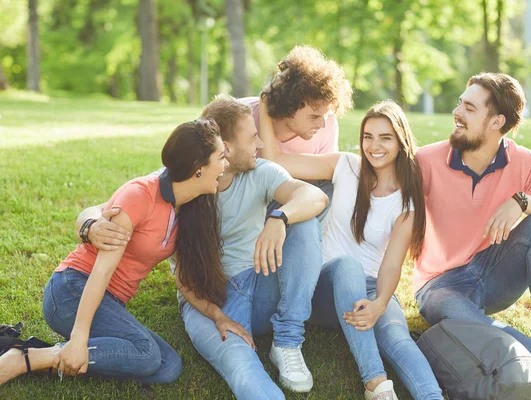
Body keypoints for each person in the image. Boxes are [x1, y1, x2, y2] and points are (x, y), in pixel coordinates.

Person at [75, 96, 328, 399]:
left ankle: (287, 339)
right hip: (207, 299)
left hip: (258, 285)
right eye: (253, 137)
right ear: (226, 149)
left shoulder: (261, 172)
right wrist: (90, 227)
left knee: (304, 221)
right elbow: (99, 209)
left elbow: (313, 196)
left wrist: (279, 217)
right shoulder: (180, 181)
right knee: (243, 368)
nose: (260, 143)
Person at [0, 119, 229, 385]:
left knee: (167, 367)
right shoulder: (140, 195)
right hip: (73, 291)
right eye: (221, 158)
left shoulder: (188, 207)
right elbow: (102, 270)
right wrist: (80, 336)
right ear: (198, 169)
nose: (225, 166)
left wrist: (218, 316)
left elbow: (184, 280)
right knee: (146, 354)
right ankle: (25, 359)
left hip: (110, 303)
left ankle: (56, 354)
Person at [414, 72, 531, 395]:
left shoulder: (523, 161)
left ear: (496, 122)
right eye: (460, 103)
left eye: (469, 108)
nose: (457, 112)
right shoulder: (427, 160)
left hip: (492, 273)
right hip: (438, 285)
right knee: (452, 308)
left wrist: (524, 202)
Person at [260, 99, 443, 400]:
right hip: (325, 285)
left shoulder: (407, 203)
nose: (374, 146)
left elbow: (391, 265)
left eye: (385, 138)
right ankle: (376, 383)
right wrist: (268, 107)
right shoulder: (344, 166)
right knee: (347, 266)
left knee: (398, 340)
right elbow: (276, 160)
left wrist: (380, 304)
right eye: (368, 137)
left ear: (400, 141)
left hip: (373, 287)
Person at [239, 44, 353, 220]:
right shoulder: (241, 115)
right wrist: (264, 103)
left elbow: (321, 190)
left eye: (327, 115)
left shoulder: (328, 124)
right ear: (289, 105)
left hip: (292, 207)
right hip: (245, 207)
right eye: (314, 116)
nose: (322, 124)